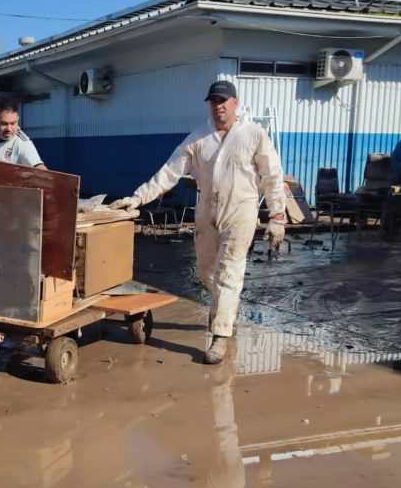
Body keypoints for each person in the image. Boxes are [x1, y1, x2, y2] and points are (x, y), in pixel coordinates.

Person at [110, 80, 285, 365]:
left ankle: (219, 334)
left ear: (235, 102)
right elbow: (169, 172)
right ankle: (228, 307)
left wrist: (277, 216)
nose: (219, 106)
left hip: (241, 211)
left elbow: (273, 176)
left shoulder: (253, 135)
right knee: (206, 271)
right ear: (209, 104)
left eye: (224, 101)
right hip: (206, 211)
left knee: (230, 271)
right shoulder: (198, 138)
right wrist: (138, 198)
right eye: (214, 101)